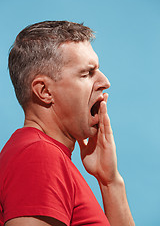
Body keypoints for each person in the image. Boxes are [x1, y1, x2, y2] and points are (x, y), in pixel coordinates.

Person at [0, 21, 135, 226]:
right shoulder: (38, 155)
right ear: (44, 91)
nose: (105, 81)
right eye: (87, 73)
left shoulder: (46, 154)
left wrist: (110, 181)